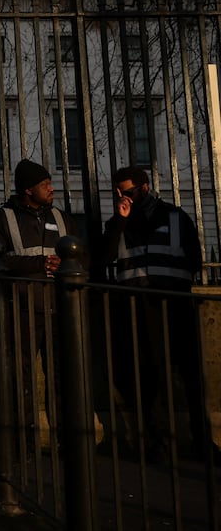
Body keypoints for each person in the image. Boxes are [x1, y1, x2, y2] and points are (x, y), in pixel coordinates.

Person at [99, 165, 215, 462]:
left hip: (175, 302)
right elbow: (104, 256)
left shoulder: (176, 216)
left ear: (144, 187)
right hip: (138, 306)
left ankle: (202, 441)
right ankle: (156, 443)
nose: (121, 196)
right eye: (117, 192)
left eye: (126, 191)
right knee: (147, 375)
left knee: (190, 375)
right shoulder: (119, 223)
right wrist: (120, 221)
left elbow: (193, 258)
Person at [0, 158, 78, 435]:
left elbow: (83, 257)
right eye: (45, 184)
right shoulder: (2, 219)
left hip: (59, 307)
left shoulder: (62, 218)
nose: (52, 188)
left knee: (62, 376)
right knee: (19, 378)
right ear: (28, 190)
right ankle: (24, 437)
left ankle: (64, 436)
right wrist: (39, 265)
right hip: (19, 308)